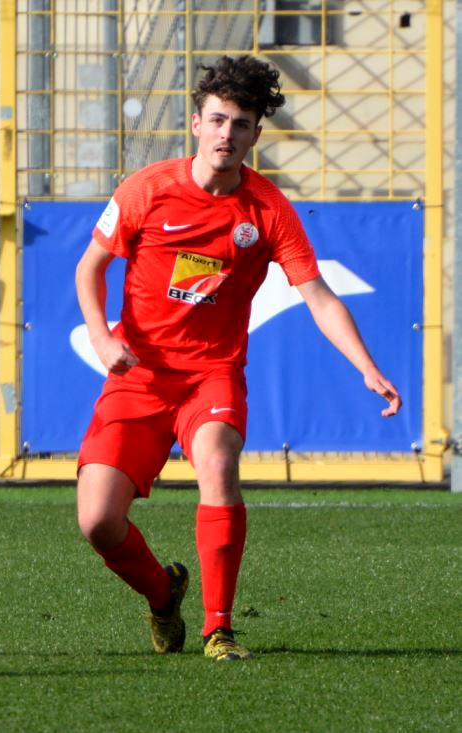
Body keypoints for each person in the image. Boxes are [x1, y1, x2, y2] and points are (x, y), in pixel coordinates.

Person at [74, 55, 402, 662]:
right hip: (140, 376)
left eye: (241, 124)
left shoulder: (268, 209)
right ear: (196, 123)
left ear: (256, 134)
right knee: (97, 522)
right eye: (218, 120)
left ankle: (218, 629)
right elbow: (89, 268)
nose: (227, 133)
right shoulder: (146, 189)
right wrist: (100, 336)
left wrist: (366, 365)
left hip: (212, 374)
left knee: (220, 464)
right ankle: (163, 593)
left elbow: (318, 296)